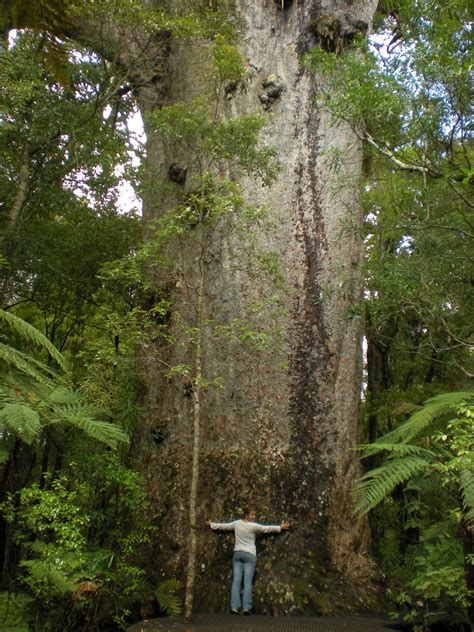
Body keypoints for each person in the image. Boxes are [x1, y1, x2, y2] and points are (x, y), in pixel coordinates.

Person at [206, 508, 290, 615]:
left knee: (236, 581)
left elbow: (224, 526)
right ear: (246, 515)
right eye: (252, 515)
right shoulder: (253, 526)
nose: (254, 517)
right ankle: (246, 608)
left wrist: (211, 525)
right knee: (247, 583)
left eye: (255, 515)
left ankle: (235, 607)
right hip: (249, 555)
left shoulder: (237, 524)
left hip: (238, 554)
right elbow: (266, 529)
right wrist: (280, 527)